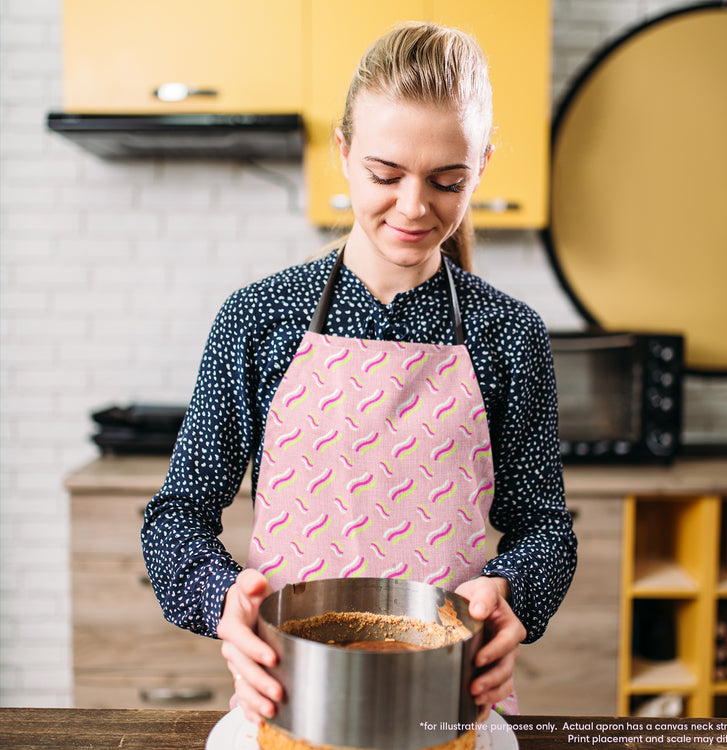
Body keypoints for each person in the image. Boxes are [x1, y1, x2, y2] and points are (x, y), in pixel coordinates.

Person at [141, 20, 577, 725]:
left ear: (483, 167)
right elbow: (175, 519)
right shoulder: (260, 318)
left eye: (447, 181)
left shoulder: (509, 336)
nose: (413, 206)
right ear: (342, 154)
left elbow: (545, 530)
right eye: (385, 174)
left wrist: (514, 594)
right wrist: (225, 602)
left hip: (448, 705)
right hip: (291, 702)